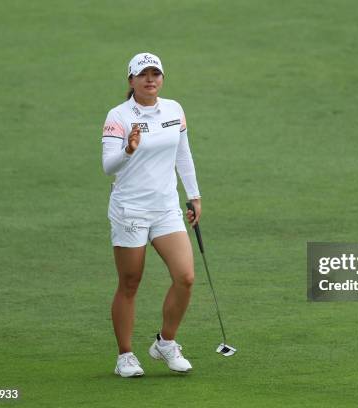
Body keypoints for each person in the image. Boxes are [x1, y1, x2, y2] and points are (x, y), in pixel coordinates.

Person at [101, 52, 201, 377]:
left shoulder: (174, 109)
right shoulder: (118, 116)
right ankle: (125, 356)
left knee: (185, 276)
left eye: (156, 74)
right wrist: (128, 150)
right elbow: (107, 166)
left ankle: (165, 343)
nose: (150, 79)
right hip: (130, 208)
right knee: (130, 282)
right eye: (143, 74)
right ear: (131, 80)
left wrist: (194, 195)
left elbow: (183, 153)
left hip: (166, 207)